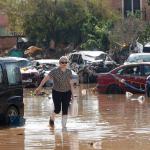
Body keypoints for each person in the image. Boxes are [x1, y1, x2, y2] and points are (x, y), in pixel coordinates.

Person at [34, 56, 74, 129]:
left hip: (67, 92)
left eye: (66, 62)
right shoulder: (54, 71)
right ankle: (52, 118)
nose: (64, 64)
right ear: (59, 63)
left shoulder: (69, 72)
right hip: (57, 92)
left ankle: (64, 127)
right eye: (62, 62)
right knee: (57, 109)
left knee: (65, 110)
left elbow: (71, 83)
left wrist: (73, 95)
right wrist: (39, 87)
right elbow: (45, 79)